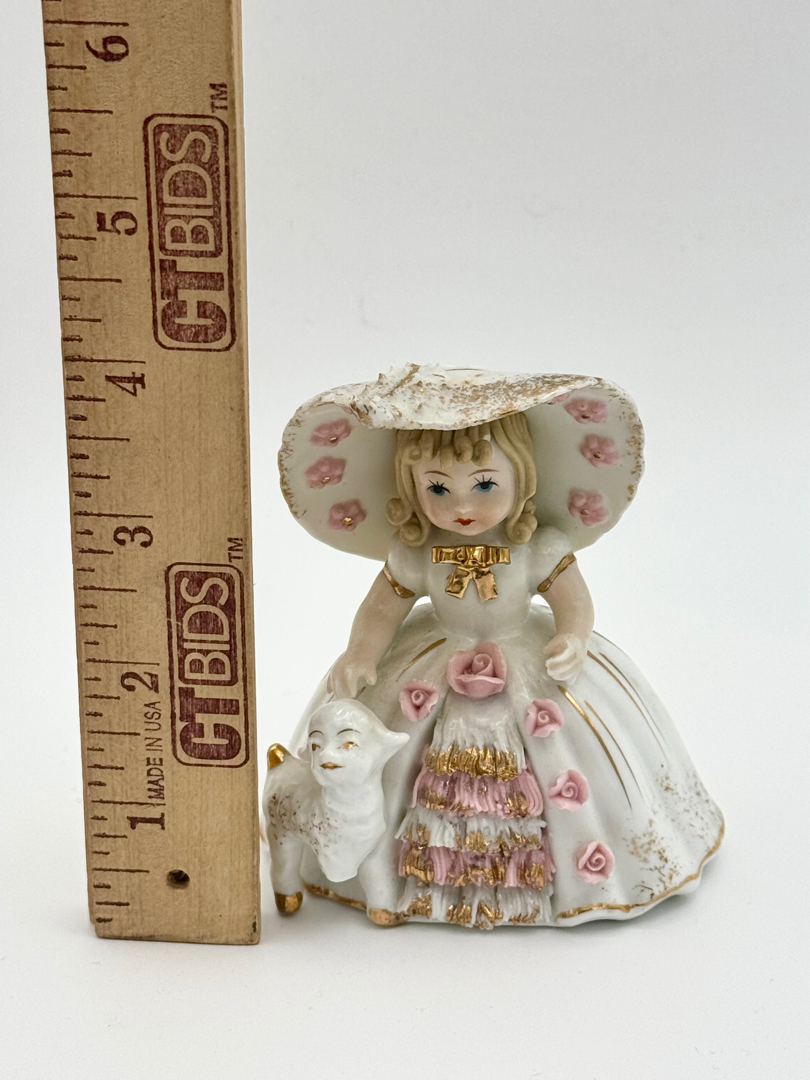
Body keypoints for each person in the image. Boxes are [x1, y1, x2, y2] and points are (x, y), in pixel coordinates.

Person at [275, 364, 723, 929]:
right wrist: (362, 653)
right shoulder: (416, 553)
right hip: (434, 659)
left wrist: (572, 636)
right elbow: (381, 610)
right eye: (438, 489)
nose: (461, 505)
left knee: (575, 751)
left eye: (484, 485)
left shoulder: (539, 547)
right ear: (412, 489)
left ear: (522, 479)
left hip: (525, 656)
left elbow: (575, 603)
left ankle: (576, 873)